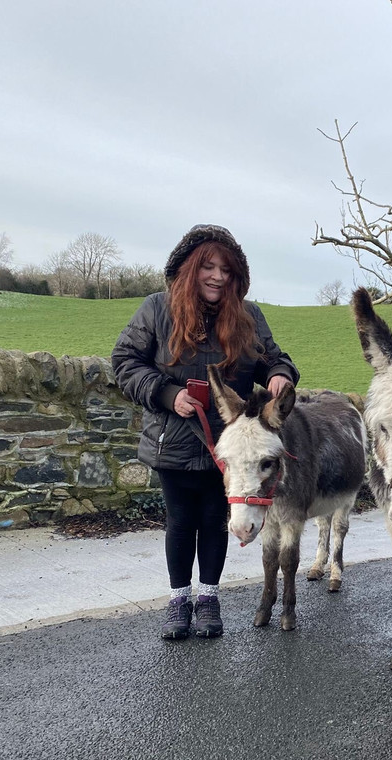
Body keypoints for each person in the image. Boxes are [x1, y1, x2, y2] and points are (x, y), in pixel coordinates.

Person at [112, 224, 298, 641]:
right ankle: (180, 600)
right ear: (189, 269)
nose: (217, 276)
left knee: (217, 519)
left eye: (226, 270)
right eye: (208, 267)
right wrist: (164, 392)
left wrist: (281, 375)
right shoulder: (156, 309)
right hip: (173, 437)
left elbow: (273, 359)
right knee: (180, 521)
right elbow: (124, 361)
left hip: (230, 446)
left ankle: (209, 599)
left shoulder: (249, 318)